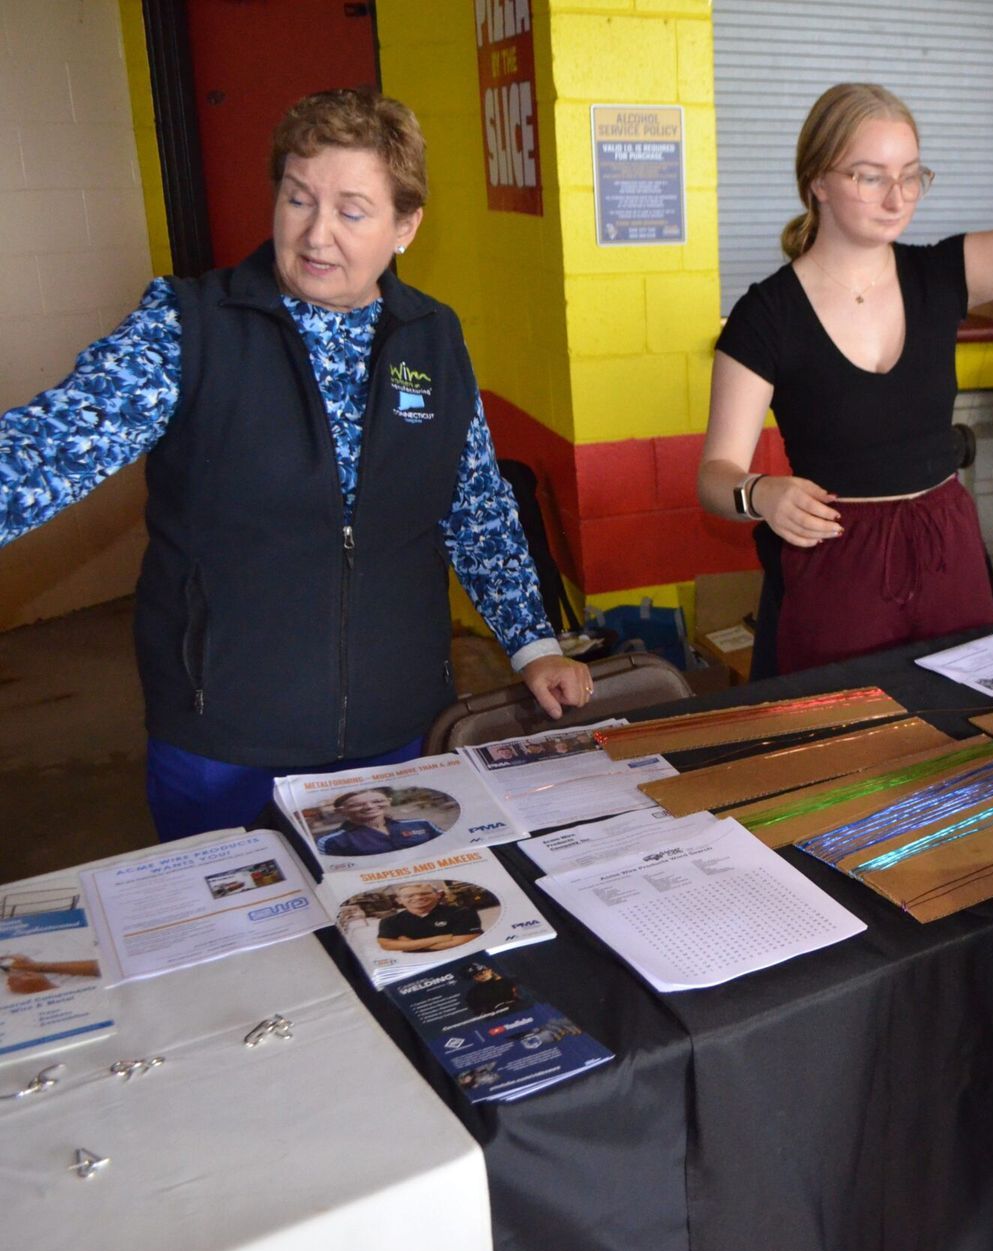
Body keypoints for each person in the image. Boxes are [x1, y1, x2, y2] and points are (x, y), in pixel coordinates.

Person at [0, 88, 592, 842]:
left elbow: (473, 503)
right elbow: (47, 446)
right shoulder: (188, 327)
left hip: (396, 724)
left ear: (405, 226)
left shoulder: (432, 338)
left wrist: (532, 643)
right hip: (225, 738)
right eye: (297, 199)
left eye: (351, 210)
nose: (316, 234)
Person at [698, 28, 993, 674]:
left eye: (911, 176)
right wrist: (760, 493)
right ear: (817, 181)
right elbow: (714, 475)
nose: (897, 198)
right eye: (870, 178)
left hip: (948, 552)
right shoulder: (768, 315)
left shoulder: (940, 275)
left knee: (967, 726)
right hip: (837, 563)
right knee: (850, 745)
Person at [316, 786, 443, 857]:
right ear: (341, 811)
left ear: (388, 801)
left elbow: (451, 844)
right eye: (357, 805)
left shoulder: (422, 824)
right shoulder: (332, 842)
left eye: (377, 801)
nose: (370, 807)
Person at [375, 881, 483, 952]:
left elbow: (463, 941)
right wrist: (441, 938)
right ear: (399, 901)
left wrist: (409, 944)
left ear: (438, 895)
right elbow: (387, 945)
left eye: (424, 893)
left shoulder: (462, 912)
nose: (418, 898)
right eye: (409, 896)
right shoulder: (389, 921)